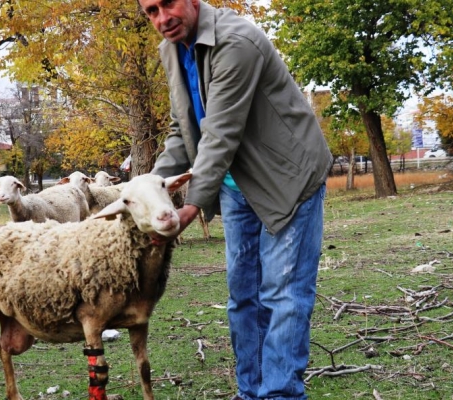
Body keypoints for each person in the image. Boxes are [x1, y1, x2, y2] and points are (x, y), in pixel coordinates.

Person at [139, 0, 332, 399]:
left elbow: (221, 132)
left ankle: (280, 394)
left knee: (283, 296)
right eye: (151, 11)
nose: (162, 19)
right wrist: (149, 190)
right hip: (235, 184)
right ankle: (251, 392)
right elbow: (184, 127)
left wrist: (190, 206)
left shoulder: (237, 41)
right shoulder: (171, 49)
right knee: (243, 297)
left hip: (287, 178)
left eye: (168, 4)